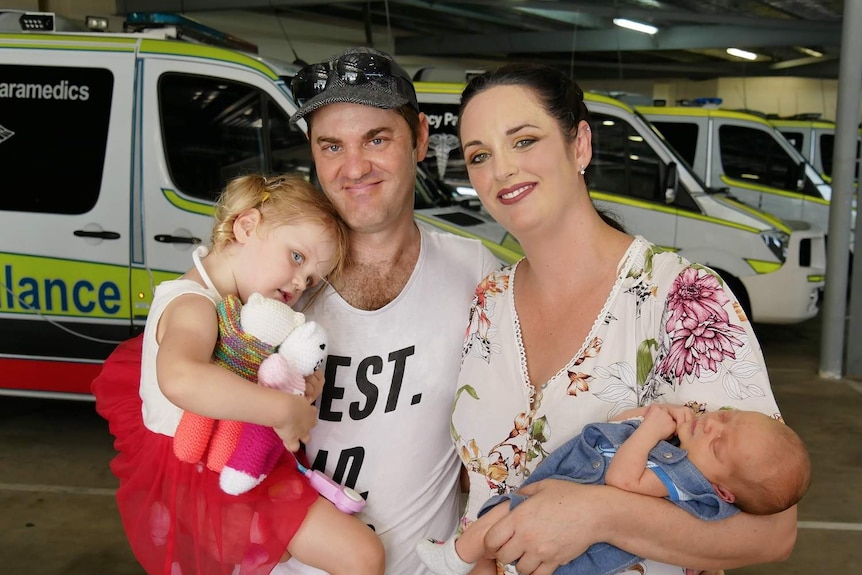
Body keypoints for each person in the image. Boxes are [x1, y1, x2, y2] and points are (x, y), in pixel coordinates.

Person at [442, 63, 801, 575]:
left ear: (580, 145)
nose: (501, 170)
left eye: (523, 141)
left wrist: (601, 514)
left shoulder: (683, 298)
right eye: (480, 155)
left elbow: (774, 532)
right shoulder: (488, 300)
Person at [275, 47, 501, 575]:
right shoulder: (280, 279)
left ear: (420, 137)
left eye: (377, 139)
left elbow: (492, 441)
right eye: (332, 146)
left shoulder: (476, 271)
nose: (354, 168)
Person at [92, 173, 385, 575]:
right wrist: (280, 409)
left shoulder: (233, 310)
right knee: (362, 558)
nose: (300, 282)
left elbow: (241, 375)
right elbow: (181, 380)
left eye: (313, 279)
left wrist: (296, 389)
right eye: (297, 257)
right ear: (246, 226)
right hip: (206, 473)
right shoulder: (194, 306)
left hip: (223, 462)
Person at [416, 403, 811, 575]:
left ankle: (456, 556)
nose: (712, 426)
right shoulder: (684, 453)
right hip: (552, 507)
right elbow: (621, 428)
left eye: (719, 444)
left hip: (566, 543)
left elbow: (624, 478)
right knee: (501, 524)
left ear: (723, 492)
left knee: (503, 521)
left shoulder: (686, 483)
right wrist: (648, 419)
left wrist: (654, 428)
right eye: (726, 416)